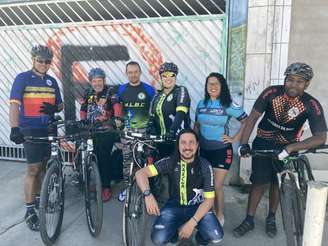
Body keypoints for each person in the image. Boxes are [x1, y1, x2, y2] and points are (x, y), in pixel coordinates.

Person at [233, 63, 327, 238]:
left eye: (300, 81)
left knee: (278, 183)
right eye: (290, 80)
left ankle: (271, 218)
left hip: (287, 147)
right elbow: (253, 117)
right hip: (263, 142)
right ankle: (249, 219)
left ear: (306, 84)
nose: (293, 84)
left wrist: (292, 148)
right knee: (258, 182)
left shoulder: (311, 104)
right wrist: (243, 144)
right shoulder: (271, 93)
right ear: (285, 80)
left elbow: (321, 137)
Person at [135, 129, 224, 245]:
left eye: (191, 142)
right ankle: (174, 235)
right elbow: (140, 173)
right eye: (183, 142)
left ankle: (200, 239)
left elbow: (209, 200)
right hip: (174, 206)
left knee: (216, 236)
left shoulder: (205, 166)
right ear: (178, 145)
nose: (187, 146)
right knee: (158, 239)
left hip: (198, 206)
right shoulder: (170, 162)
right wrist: (148, 195)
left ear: (197, 145)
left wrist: (192, 223)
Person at [9, 45, 63, 231]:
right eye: (40, 60)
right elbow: (14, 105)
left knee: (44, 166)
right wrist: (14, 128)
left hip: (49, 129)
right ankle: (30, 210)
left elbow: (60, 104)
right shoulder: (22, 78)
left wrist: (55, 109)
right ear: (33, 59)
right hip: (30, 129)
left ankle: (40, 199)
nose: (43, 64)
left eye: (47, 61)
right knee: (33, 169)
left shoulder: (52, 81)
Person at [194, 72, 247, 226]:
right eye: (210, 83)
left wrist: (234, 139)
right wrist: (194, 143)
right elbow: (197, 125)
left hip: (222, 151)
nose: (213, 87)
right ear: (206, 86)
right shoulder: (201, 104)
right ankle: (206, 212)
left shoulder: (229, 105)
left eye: (216, 83)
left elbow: (246, 120)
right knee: (205, 185)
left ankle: (219, 215)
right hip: (203, 150)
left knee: (216, 186)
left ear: (222, 86)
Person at [80, 67, 122, 202]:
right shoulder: (88, 92)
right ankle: (96, 180)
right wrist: (82, 121)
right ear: (91, 82)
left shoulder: (111, 91)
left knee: (103, 156)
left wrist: (117, 119)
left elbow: (117, 106)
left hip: (107, 130)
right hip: (92, 130)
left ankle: (106, 186)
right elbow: (83, 109)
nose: (97, 83)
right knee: (91, 155)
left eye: (100, 80)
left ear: (104, 81)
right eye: (94, 81)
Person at [116, 61, 155, 199]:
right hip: (127, 132)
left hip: (145, 132)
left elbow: (155, 109)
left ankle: (146, 191)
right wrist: (118, 121)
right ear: (126, 73)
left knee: (144, 161)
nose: (133, 74)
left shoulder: (149, 90)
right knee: (127, 161)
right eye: (130, 72)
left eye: (135, 72)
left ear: (140, 72)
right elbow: (116, 105)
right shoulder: (121, 89)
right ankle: (128, 188)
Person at [148, 62, 191, 158]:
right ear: (161, 77)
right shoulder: (156, 96)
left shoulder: (181, 91)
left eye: (172, 75)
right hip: (161, 142)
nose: (168, 78)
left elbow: (181, 113)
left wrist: (172, 131)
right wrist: (149, 130)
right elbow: (152, 119)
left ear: (175, 77)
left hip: (180, 141)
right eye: (165, 76)